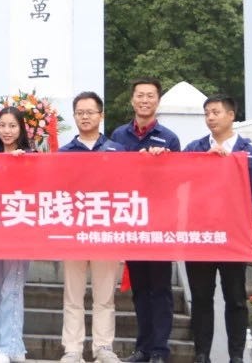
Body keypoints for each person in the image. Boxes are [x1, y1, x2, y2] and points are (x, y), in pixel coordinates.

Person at [183, 95, 252, 363]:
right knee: (201, 297)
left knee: (236, 298)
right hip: (200, 235)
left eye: (216, 112)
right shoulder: (195, 148)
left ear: (231, 116)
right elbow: (178, 178)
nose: (210, 118)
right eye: (207, 113)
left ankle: (236, 356)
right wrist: (203, 162)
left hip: (233, 235)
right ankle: (202, 355)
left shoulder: (247, 152)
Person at [109, 79, 181, 363]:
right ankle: (143, 348)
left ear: (158, 101)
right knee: (139, 288)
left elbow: (178, 181)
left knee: (160, 289)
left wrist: (161, 163)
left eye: (150, 96)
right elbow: (111, 173)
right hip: (132, 221)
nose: (145, 100)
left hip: (160, 223)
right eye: (140, 95)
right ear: (132, 100)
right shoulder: (119, 135)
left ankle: (160, 350)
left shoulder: (169, 139)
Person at [57, 92, 124, 363]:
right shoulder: (64, 153)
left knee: (104, 295)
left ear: (101, 115)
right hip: (73, 231)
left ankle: (103, 347)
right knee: (73, 294)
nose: (85, 117)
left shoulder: (117, 151)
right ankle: (72, 349)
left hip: (105, 230)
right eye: (80, 113)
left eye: (90, 112)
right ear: (74, 116)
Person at [0, 107, 34, 363]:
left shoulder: (31, 158)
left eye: (12, 126)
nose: (7, 131)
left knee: (11, 289)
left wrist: (22, 165)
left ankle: (7, 347)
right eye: (2, 125)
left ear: (21, 129)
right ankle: (11, 347)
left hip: (19, 233)